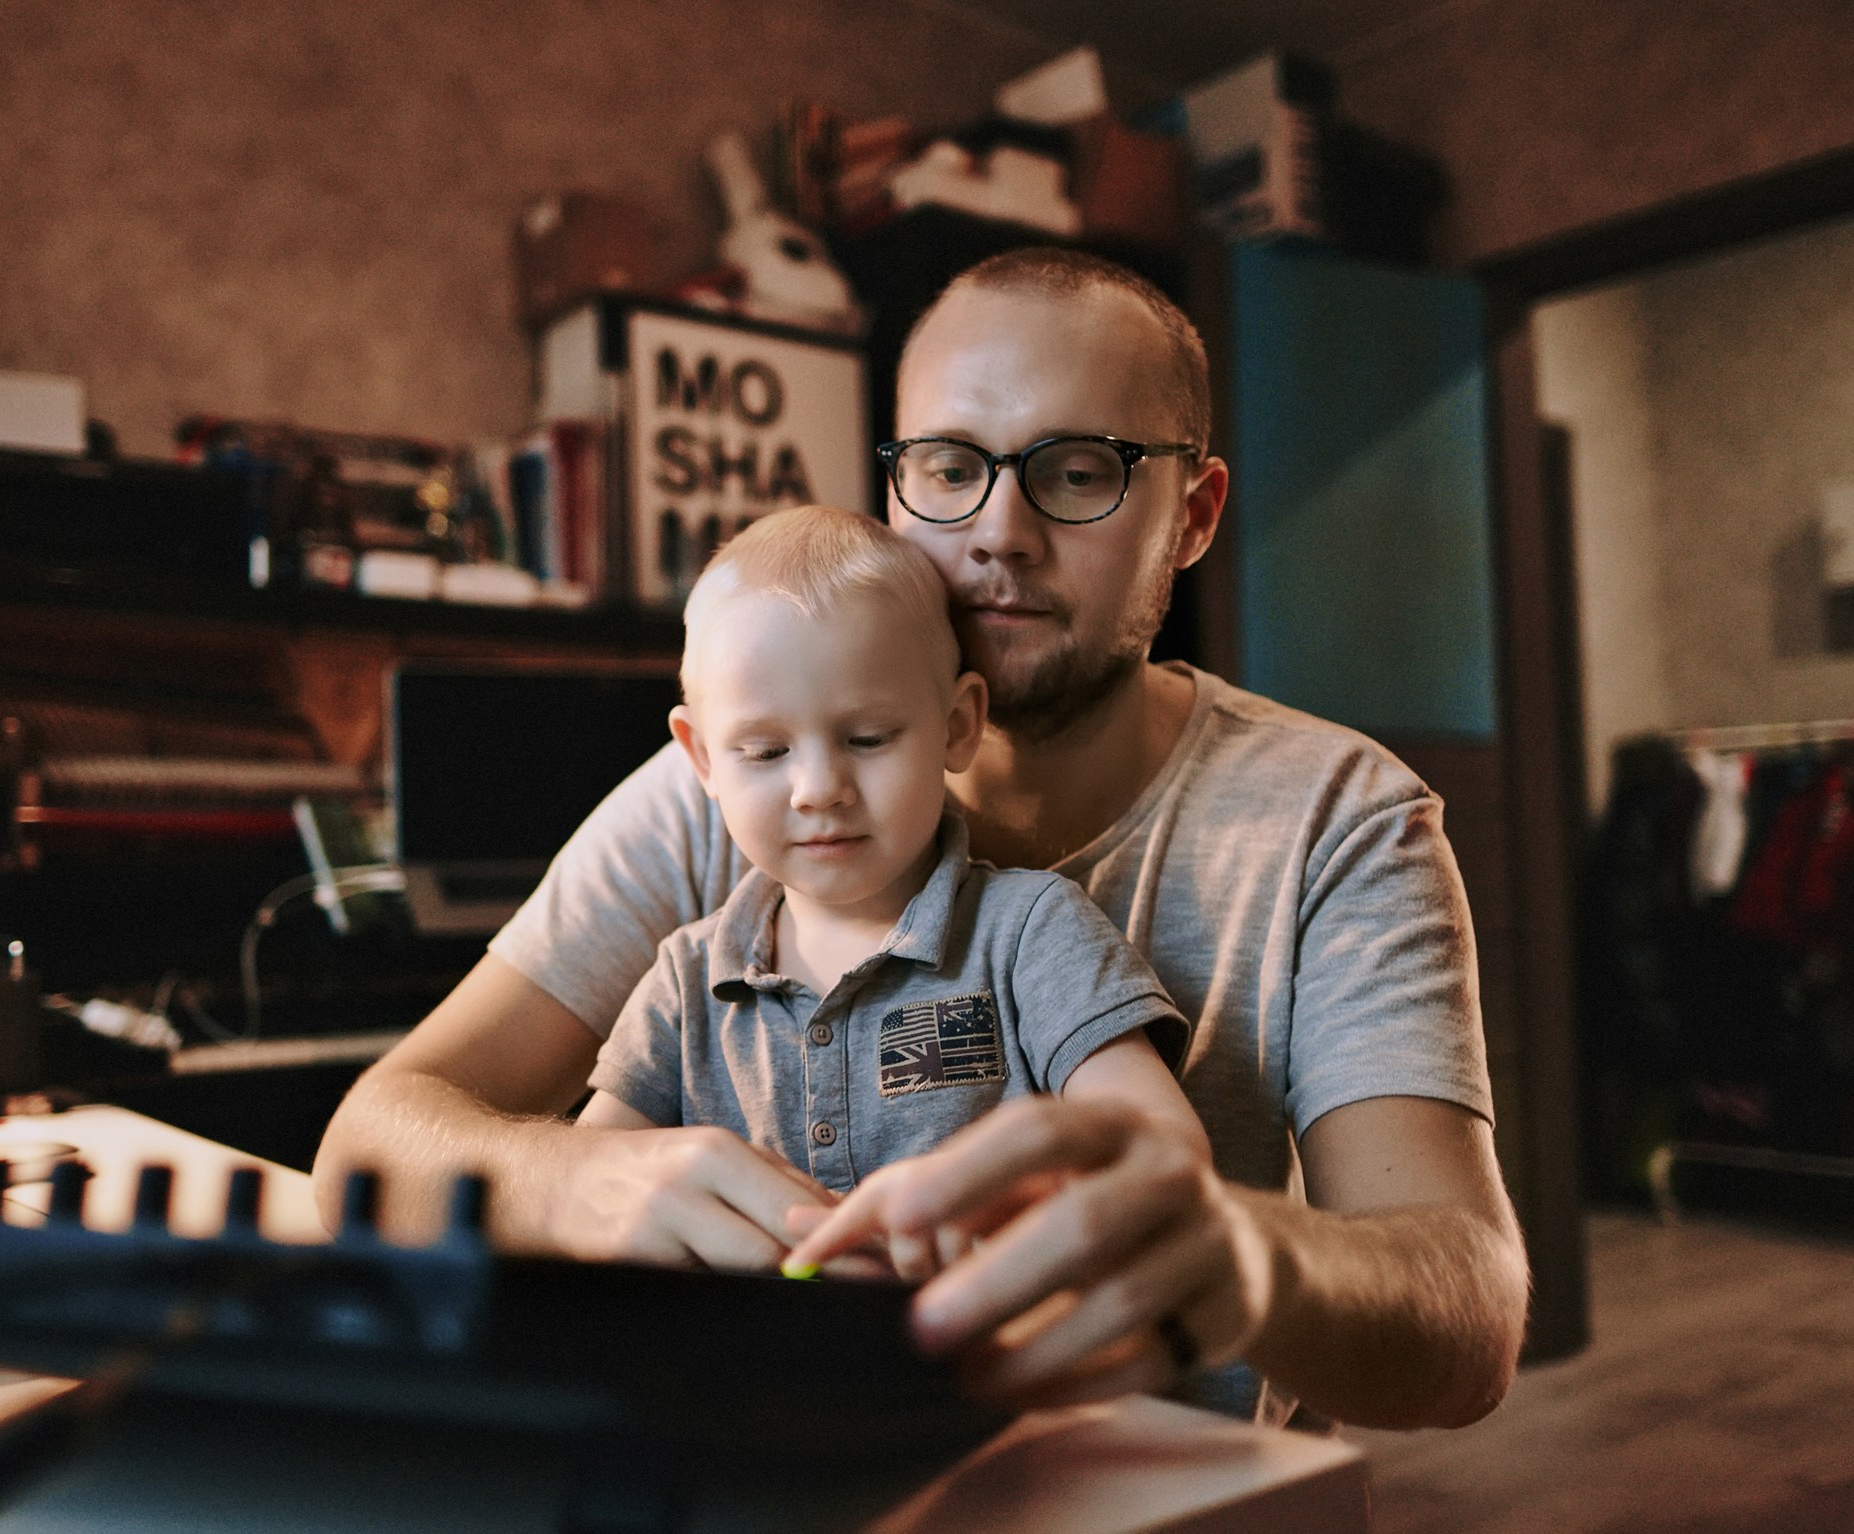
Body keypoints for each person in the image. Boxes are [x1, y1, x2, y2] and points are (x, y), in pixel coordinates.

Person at [317, 247, 1528, 1431]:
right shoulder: (737, 789)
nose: (996, 531)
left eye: (1075, 470)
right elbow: (371, 1139)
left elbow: (1464, 1323)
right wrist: (577, 1181)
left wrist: (1242, 1259)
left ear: (1193, 514)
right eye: (949, 466)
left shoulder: (1337, 822)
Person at [578, 504, 1204, 1222]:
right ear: (703, 759)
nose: (819, 791)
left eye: (869, 738)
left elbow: (1163, 1151)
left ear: (958, 726)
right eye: (766, 752)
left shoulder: (1030, 935)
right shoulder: (684, 985)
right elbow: (591, 1190)